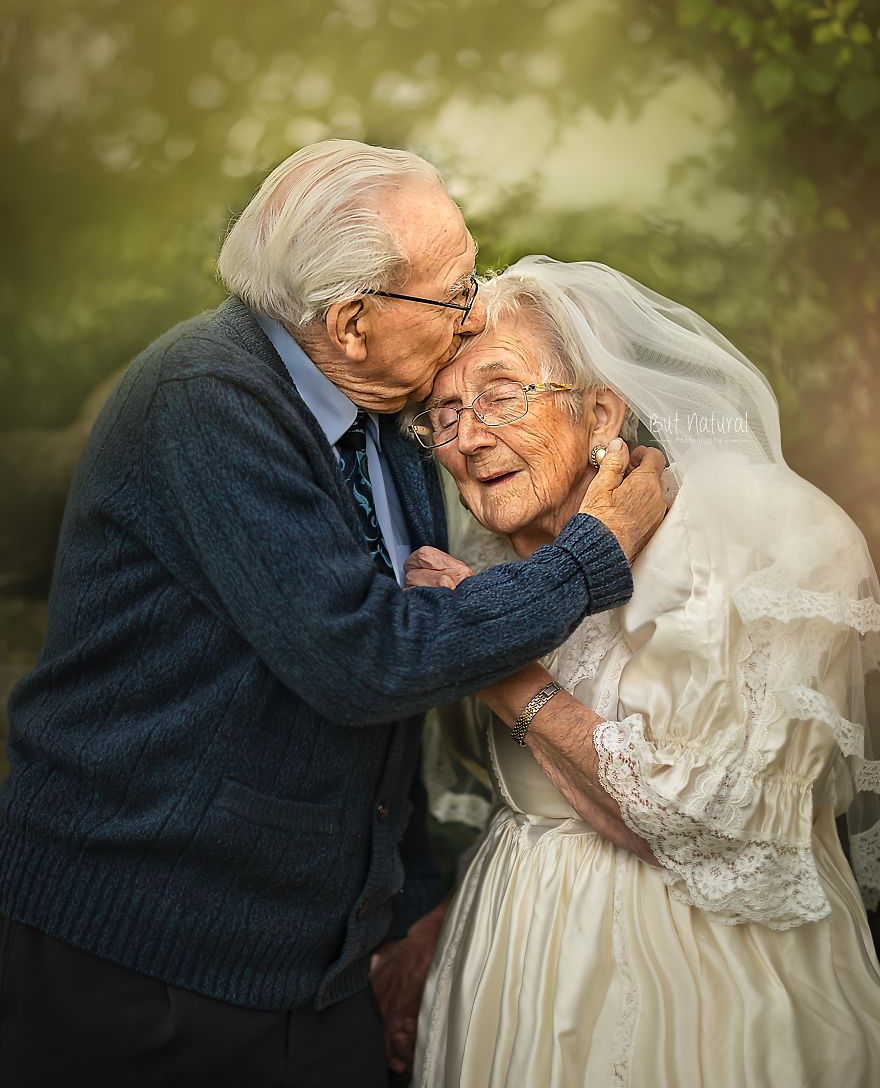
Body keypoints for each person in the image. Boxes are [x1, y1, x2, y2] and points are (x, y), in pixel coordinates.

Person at [0, 146, 666, 1088]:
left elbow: (384, 691)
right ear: (352, 322)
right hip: (145, 956)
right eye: (453, 293)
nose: (473, 313)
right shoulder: (206, 402)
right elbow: (365, 662)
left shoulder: (383, 414)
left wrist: (409, 904)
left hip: (307, 961)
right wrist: (590, 557)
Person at [408, 257, 880, 1088]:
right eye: (444, 414)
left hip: (713, 991)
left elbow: (719, 832)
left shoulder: (761, 535)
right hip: (515, 977)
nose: (470, 437)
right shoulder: (477, 558)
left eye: (501, 394)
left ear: (600, 411)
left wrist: (491, 657)